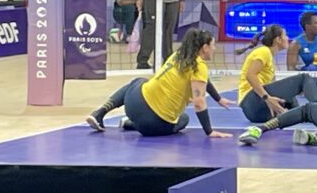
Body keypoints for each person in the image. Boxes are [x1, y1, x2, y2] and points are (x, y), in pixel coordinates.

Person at [86, 29, 235, 137]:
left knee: (138, 82)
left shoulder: (178, 56)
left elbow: (203, 81)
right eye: (213, 45)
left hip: (134, 102)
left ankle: (100, 113)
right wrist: (209, 131)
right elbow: (198, 102)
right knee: (183, 119)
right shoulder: (200, 67)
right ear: (205, 47)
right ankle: (131, 123)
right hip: (152, 123)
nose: (214, 49)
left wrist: (218, 98)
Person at [236, 25, 317, 124]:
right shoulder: (264, 51)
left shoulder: (269, 56)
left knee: (291, 98)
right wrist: (267, 98)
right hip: (252, 102)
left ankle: (301, 115)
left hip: (256, 112)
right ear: (278, 39)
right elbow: (250, 75)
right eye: (285, 35)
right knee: (304, 78)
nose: (287, 38)